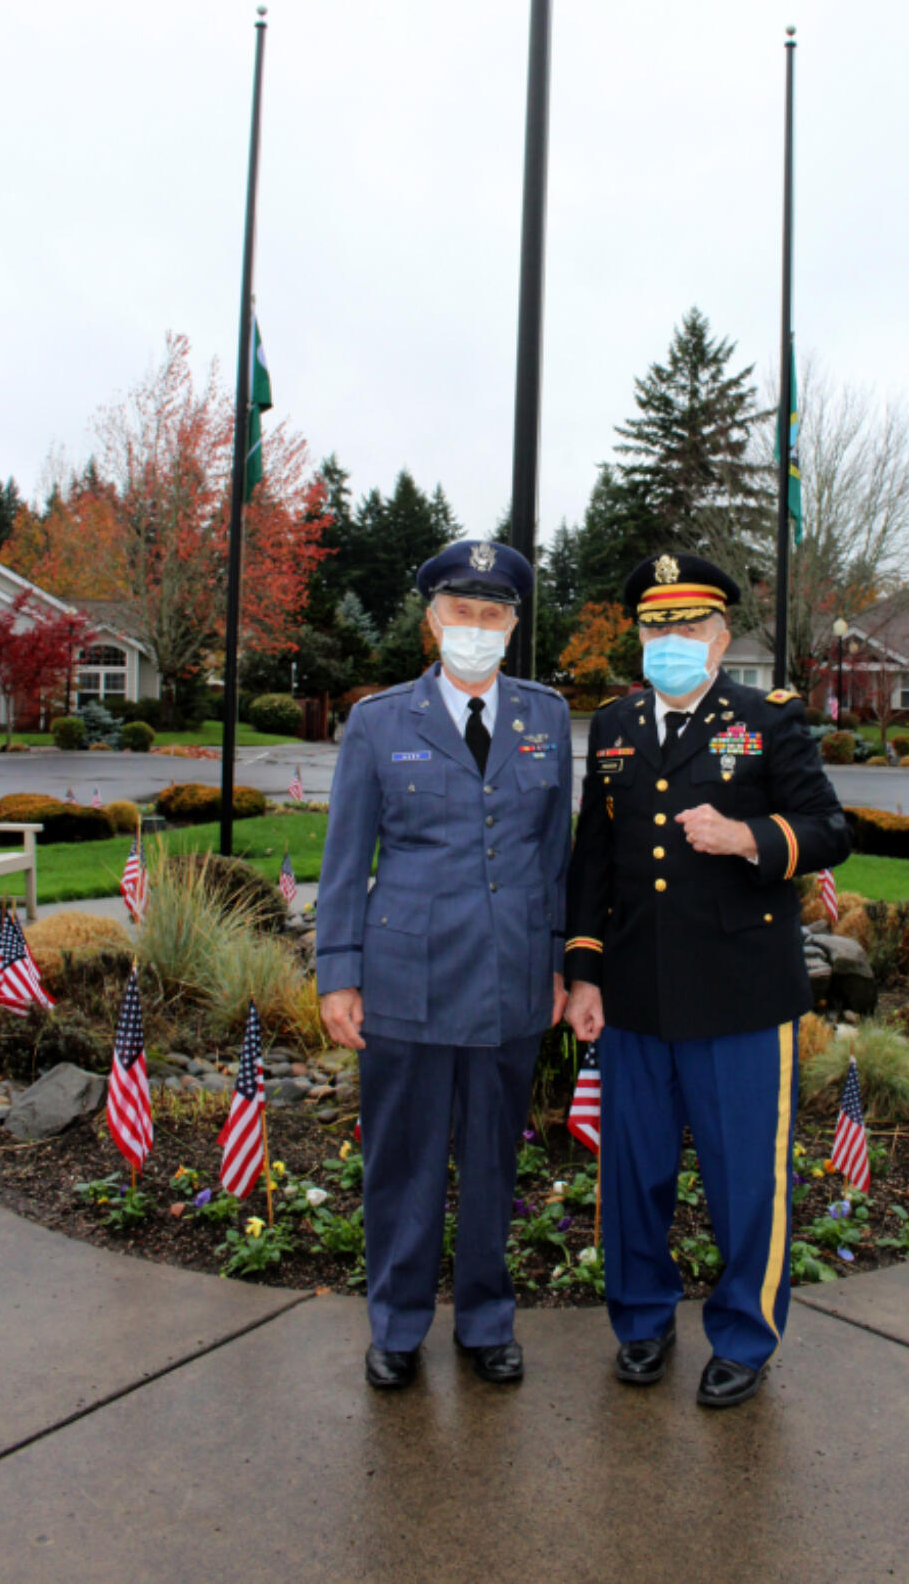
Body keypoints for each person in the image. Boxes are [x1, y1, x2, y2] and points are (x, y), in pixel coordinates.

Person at [564, 551, 850, 1408]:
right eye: (657, 626)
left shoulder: (767, 720)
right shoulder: (614, 725)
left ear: (722, 637)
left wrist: (750, 838)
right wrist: (583, 971)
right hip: (636, 993)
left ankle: (743, 1334)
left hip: (739, 994)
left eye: (689, 625)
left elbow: (829, 829)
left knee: (744, 1180)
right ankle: (642, 1321)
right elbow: (593, 861)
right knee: (634, 1174)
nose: (671, 639)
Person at [316, 539, 572, 1391]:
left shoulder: (545, 717)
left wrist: (559, 963)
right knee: (405, 1161)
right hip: (407, 983)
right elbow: (346, 859)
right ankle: (396, 1323)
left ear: (513, 625)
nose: (476, 627)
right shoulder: (380, 721)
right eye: (461, 611)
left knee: (496, 1161)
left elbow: (554, 858)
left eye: (492, 613)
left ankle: (486, 1320)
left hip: (509, 980)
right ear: (432, 620)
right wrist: (337, 972)